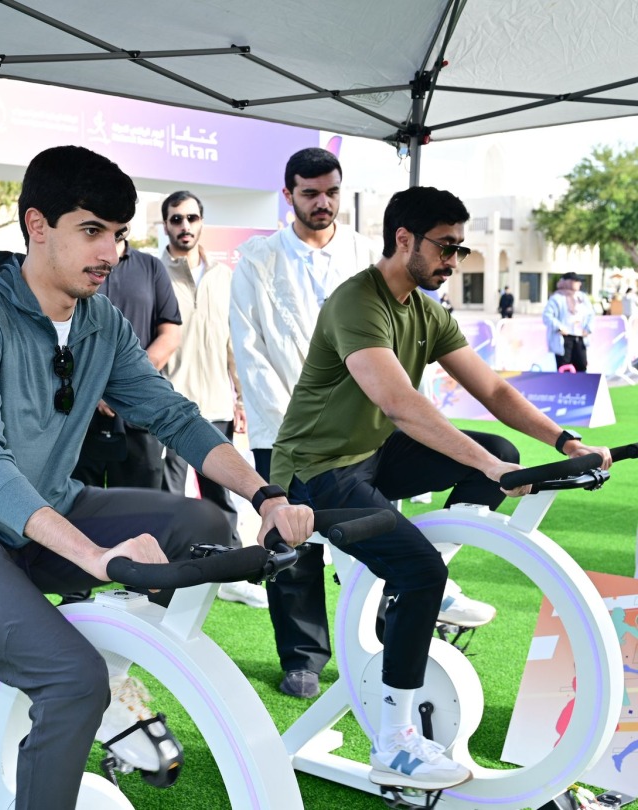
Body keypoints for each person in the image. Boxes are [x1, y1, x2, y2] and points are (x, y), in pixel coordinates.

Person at [0, 145, 315, 810]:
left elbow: (174, 415)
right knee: (70, 680)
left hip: (47, 511)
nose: (110, 252)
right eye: (91, 231)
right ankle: (96, 688)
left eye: (117, 234)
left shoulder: (101, 321)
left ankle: (114, 683)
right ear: (37, 226)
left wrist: (266, 493)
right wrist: (98, 558)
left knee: (204, 522)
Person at [270, 185, 613, 789]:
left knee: (501, 454)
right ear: (404, 239)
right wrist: (488, 469)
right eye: (446, 246)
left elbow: (497, 393)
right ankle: (395, 742)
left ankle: (419, 587)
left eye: (461, 247)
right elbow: (400, 404)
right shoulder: (359, 301)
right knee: (427, 556)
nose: (455, 259)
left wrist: (564, 443)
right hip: (315, 471)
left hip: (371, 457)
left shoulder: (427, 310)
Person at [233, 149, 493, 699]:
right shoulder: (257, 258)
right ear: (289, 197)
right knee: (296, 555)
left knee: (388, 542)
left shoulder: (367, 256)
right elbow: (250, 350)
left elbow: (403, 379)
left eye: (330, 190)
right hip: (289, 433)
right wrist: (292, 432)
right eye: (309, 193)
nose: (322, 202)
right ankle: (303, 658)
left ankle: (411, 599)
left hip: (370, 430)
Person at [159, 189, 265, 607]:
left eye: (190, 218)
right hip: (169, 408)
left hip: (217, 403)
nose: (184, 226)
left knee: (221, 493)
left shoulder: (224, 276)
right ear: (166, 225)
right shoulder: (155, 272)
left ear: (202, 222)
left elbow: (233, 344)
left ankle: (233, 573)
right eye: (175, 219)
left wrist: (240, 397)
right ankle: (164, 574)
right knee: (168, 497)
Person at [71, 239, 180, 489]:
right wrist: (95, 389)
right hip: (80, 417)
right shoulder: (74, 265)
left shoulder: (151, 267)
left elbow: (170, 336)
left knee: (142, 514)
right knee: (79, 516)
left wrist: (123, 386)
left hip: (140, 417)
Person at [543, 271, 594, 372]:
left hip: (580, 337)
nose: (579, 284)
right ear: (568, 282)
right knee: (564, 368)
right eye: (576, 281)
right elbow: (547, 316)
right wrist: (559, 327)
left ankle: (581, 387)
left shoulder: (582, 297)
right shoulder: (557, 298)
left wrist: (588, 328)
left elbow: (591, 314)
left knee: (581, 366)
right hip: (564, 339)